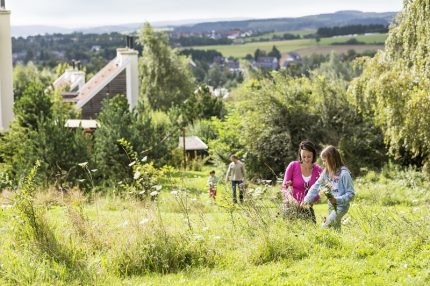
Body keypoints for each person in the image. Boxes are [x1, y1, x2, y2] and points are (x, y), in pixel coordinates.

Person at [301, 145, 355, 230]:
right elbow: (316, 186)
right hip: (331, 206)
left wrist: (337, 200)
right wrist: (306, 200)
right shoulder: (326, 172)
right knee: (335, 230)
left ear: (331, 160)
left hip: (341, 207)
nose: (323, 163)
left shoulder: (344, 174)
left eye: (325, 161)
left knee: (324, 227)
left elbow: (351, 194)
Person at [281, 140, 323, 223]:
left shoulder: (318, 170)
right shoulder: (293, 166)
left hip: (307, 208)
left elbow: (322, 191)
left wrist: (309, 200)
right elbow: (283, 188)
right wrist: (292, 200)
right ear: (300, 155)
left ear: (313, 155)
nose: (306, 159)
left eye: (309, 156)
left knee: (312, 232)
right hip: (290, 207)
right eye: (303, 156)